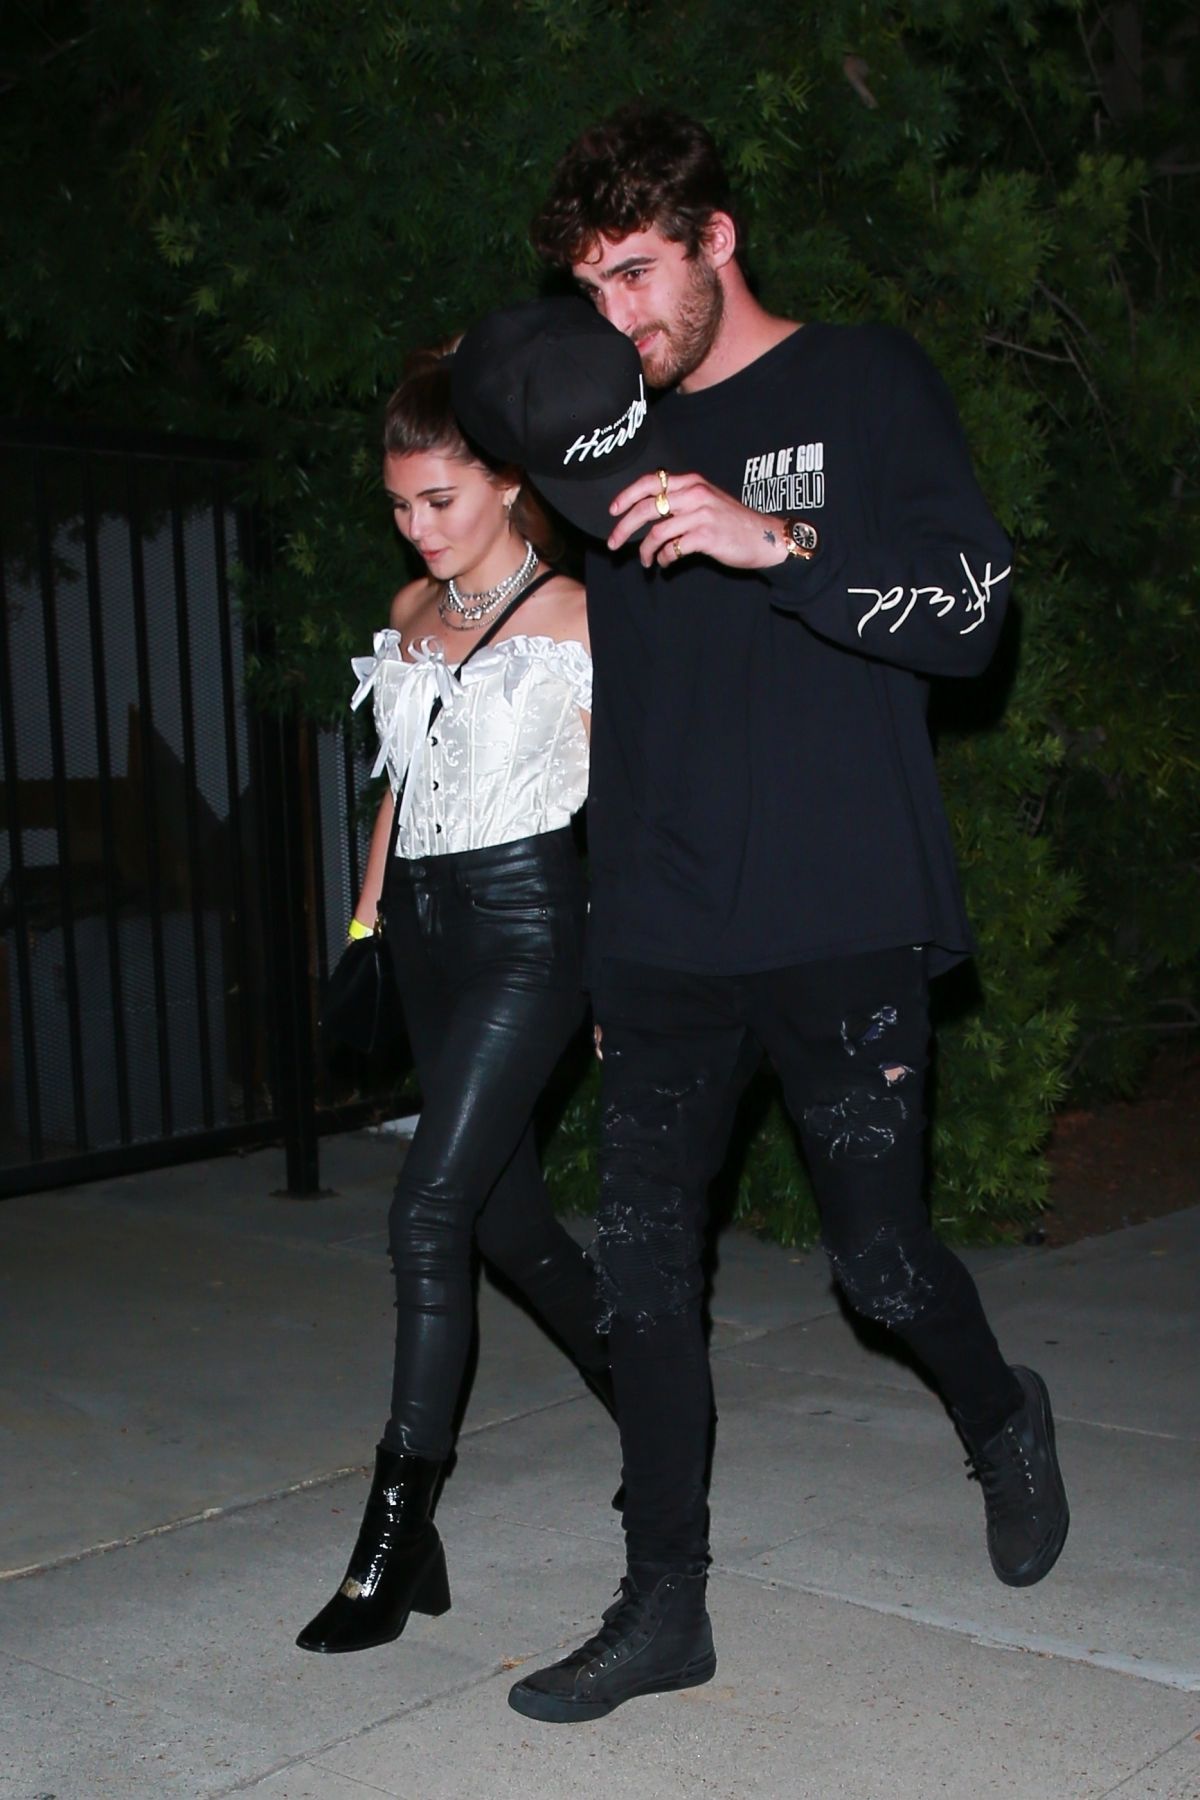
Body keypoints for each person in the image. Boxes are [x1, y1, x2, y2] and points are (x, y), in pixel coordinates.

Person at [479, 103, 1069, 1722]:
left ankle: (1001, 1415)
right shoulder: (603, 449)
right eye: (589, 288)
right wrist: (608, 940)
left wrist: (774, 540)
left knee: (878, 1266)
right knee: (647, 1276)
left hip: (839, 904)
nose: (616, 317)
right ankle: (663, 1604)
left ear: (717, 239)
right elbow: (626, 709)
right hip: (667, 928)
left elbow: (972, 614)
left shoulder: (862, 381)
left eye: (636, 274)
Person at [296, 348, 611, 1656]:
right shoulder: (413, 612)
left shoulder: (578, 618)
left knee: (427, 1209)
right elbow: (400, 781)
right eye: (400, 506)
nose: (417, 529)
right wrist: (368, 924)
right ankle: (658, 1397)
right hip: (425, 931)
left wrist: (626, 974)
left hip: (533, 930)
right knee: (508, 1220)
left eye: (440, 500)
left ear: (508, 480)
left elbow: (630, 814)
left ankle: (394, 1537)